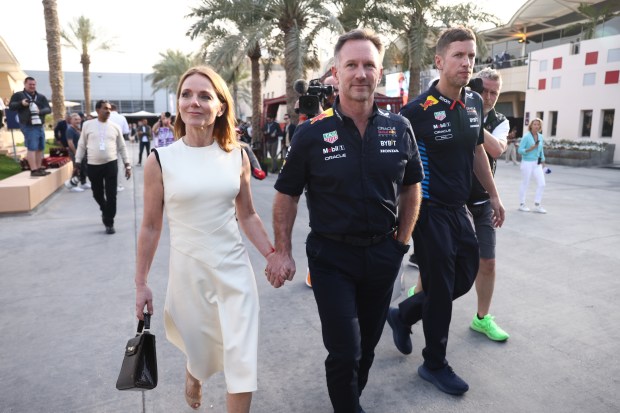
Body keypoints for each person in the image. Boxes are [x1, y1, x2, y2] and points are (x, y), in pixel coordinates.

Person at [266, 29, 424, 413]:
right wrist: (282, 251)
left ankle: (350, 399)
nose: (360, 73)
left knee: (366, 347)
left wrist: (401, 244)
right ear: (335, 73)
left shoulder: (399, 127)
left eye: (369, 65)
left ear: (380, 72)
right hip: (331, 258)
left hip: (383, 255)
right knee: (344, 350)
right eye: (351, 65)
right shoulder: (311, 133)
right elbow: (286, 195)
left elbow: (411, 187)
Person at [134, 66, 275, 413]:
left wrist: (272, 255)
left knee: (242, 363)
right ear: (178, 103)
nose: (193, 102)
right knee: (199, 349)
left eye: (204, 96)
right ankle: (194, 371)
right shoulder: (159, 161)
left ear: (220, 106)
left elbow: (248, 215)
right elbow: (150, 226)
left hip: (235, 273)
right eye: (186, 94)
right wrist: (141, 284)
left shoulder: (237, 155)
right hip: (188, 276)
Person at [386, 27, 505, 396]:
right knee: (439, 289)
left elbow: (477, 150)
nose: (466, 63)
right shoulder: (415, 112)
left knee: (464, 277)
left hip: (459, 208)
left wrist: (494, 195)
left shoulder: (474, 104)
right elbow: (396, 170)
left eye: (471, 56)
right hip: (428, 210)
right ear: (439, 61)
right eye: (458, 55)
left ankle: (404, 314)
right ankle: (434, 363)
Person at [407, 67, 511, 341]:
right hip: (445, 204)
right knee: (435, 269)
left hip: (480, 201)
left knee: (484, 263)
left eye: (495, 93)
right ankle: (417, 306)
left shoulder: (495, 118)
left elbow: (493, 149)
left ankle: (481, 318)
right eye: (484, 90)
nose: (488, 96)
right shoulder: (433, 107)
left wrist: (468, 118)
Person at [75, 100, 131, 234]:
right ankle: (104, 208)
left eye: (110, 109)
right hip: (93, 165)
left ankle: (109, 222)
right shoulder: (87, 125)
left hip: (111, 164)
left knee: (112, 195)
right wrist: (77, 162)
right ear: (98, 110)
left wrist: (127, 164)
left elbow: (122, 146)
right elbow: (81, 145)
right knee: (97, 193)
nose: (108, 111)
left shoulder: (115, 126)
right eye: (105, 108)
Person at [9, 77, 52, 177]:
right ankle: (34, 170)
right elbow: (11, 106)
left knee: (40, 147)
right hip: (28, 125)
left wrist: (40, 111)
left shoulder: (40, 97)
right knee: (32, 147)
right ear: (25, 84)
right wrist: (21, 103)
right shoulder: (18, 95)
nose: (32, 86)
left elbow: (48, 109)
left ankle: (39, 168)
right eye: (30, 84)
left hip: (40, 125)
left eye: (34, 84)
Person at [518, 118, 547, 213]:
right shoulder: (526, 137)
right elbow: (520, 150)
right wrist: (530, 149)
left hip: (537, 163)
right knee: (525, 183)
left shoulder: (540, 136)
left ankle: (537, 205)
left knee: (542, 183)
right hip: (527, 163)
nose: (536, 126)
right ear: (531, 126)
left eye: (538, 124)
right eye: (534, 124)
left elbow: (541, 149)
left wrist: (543, 160)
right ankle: (522, 204)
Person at [109, 104, 130, 192]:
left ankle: (108, 185)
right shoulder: (121, 117)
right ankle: (118, 185)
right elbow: (126, 131)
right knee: (119, 164)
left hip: (108, 142)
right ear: (116, 109)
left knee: (107, 164)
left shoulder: (106, 117)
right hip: (119, 141)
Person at [65, 113, 89, 192]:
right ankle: (72, 185)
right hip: (75, 152)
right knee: (77, 168)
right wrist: (76, 152)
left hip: (82, 152)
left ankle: (83, 183)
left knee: (83, 167)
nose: (78, 121)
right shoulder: (70, 130)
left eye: (79, 119)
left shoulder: (78, 129)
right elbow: (70, 142)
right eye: (75, 119)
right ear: (71, 120)